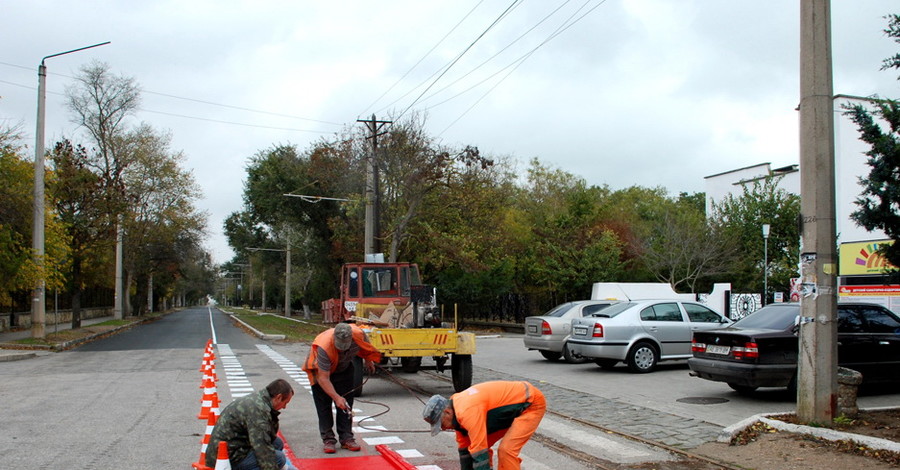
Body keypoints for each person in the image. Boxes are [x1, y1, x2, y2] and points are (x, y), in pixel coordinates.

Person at [423, 380, 546, 470]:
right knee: (479, 449)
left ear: (447, 412)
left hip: (530, 404)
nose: (443, 428)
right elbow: (465, 449)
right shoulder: (456, 413)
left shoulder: (467, 412)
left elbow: (479, 450)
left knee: (506, 451)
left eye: (441, 423)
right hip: (506, 410)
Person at [302, 322, 382, 453]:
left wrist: (368, 359)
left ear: (351, 338)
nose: (342, 350)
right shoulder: (324, 347)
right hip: (321, 373)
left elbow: (366, 344)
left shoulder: (358, 334)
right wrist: (336, 397)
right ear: (334, 339)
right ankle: (328, 439)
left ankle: (346, 438)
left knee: (346, 405)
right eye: (339, 347)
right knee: (324, 406)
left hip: (344, 369)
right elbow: (323, 378)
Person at [206, 378, 296, 470]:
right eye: (285, 403)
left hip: (232, 447)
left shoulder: (259, 399)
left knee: (277, 443)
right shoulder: (258, 411)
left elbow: (267, 436)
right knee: (279, 458)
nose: (284, 407)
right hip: (227, 458)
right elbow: (261, 446)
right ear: (279, 397)